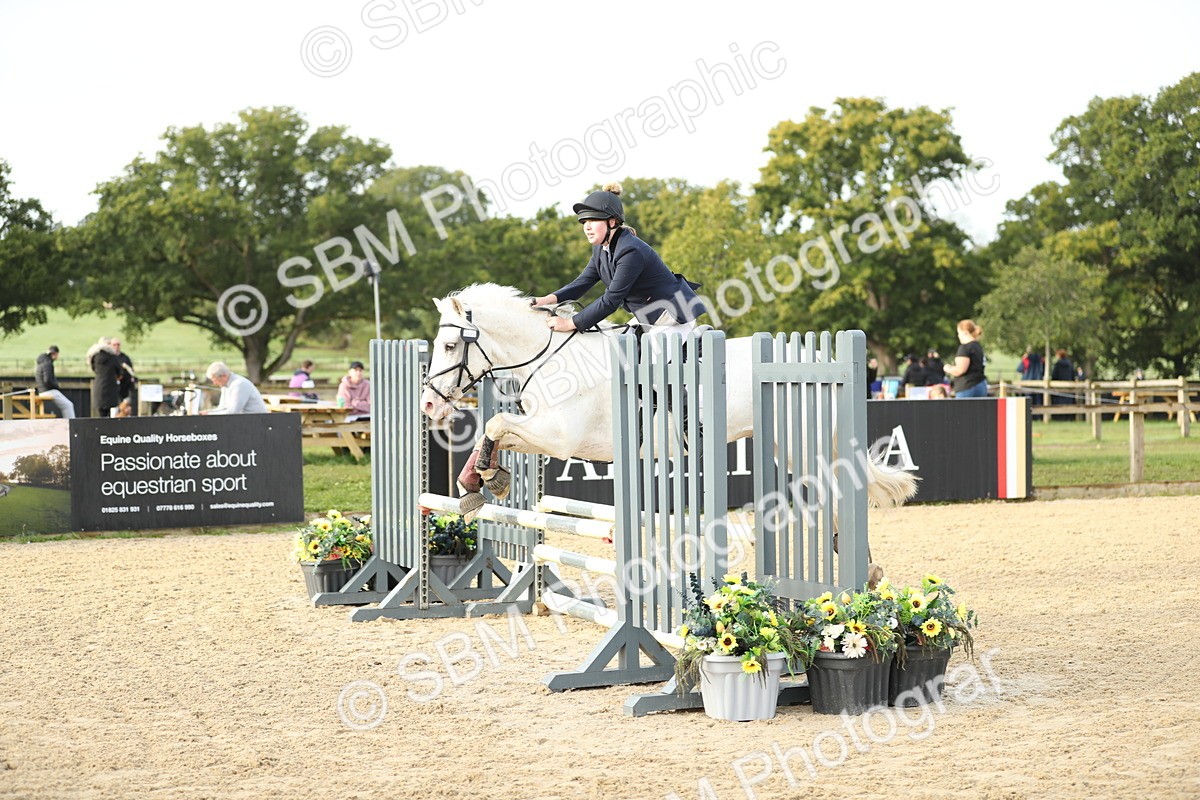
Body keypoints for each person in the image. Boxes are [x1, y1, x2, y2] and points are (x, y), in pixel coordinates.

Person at [530, 183, 705, 337]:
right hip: (649, 316)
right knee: (619, 346)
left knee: (646, 368)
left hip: (674, 316)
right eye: (584, 221)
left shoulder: (630, 251)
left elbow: (611, 300)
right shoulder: (601, 248)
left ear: (612, 222)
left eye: (593, 220)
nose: (587, 227)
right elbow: (583, 282)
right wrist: (548, 299)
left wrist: (569, 323)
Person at [200, 362, 268, 415]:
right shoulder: (225, 386)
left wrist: (210, 414)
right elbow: (222, 408)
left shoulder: (239, 385)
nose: (214, 383)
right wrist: (208, 412)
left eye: (215, 380)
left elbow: (233, 412)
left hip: (255, 422)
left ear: (224, 376)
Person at [943, 319, 988, 398]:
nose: (958, 336)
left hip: (967, 386)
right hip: (981, 384)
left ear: (965, 333)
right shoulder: (978, 347)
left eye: (959, 333)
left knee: (962, 410)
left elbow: (960, 370)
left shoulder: (965, 348)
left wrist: (948, 368)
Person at [34, 345, 75, 419]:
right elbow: (47, 380)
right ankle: (70, 424)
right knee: (68, 405)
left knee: (66, 405)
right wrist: (56, 386)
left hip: (42, 391)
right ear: (54, 354)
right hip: (48, 391)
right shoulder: (48, 364)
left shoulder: (41, 362)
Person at [85, 336, 123, 418]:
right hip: (110, 386)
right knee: (109, 413)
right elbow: (119, 371)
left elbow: (94, 369)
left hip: (98, 385)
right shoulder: (112, 357)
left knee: (100, 413)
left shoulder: (94, 357)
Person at [111, 337, 137, 416]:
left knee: (126, 407)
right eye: (114, 344)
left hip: (125, 386)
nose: (116, 346)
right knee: (114, 408)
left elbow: (131, 371)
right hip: (113, 387)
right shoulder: (110, 358)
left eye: (118, 344)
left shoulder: (125, 358)